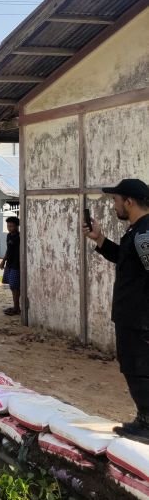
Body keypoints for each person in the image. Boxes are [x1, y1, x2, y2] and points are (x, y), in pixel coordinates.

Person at [84, 178, 149, 443]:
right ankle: (144, 419)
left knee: (140, 369)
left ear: (129, 202)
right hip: (132, 316)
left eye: (116, 200)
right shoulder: (137, 231)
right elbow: (125, 258)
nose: (114, 206)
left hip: (140, 319)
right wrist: (99, 239)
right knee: (133, 367)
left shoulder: (145, 234)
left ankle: (147, 425)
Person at [1, 216, 21, 316]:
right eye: (8, 226)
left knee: (16, 287)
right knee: (12, 287)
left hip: (16, 265)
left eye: (12, 226)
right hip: (9, 264)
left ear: (17, 226)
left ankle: (17, 308)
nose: (10, 228)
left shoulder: (19, 237)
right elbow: (8, 250)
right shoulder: (9, 236)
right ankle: (15, 306)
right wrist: (3, 261)